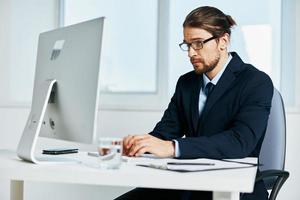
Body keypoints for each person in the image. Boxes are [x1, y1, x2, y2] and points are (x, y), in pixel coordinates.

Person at [116, 6, 273, 200]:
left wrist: (174, 148)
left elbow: (240, 142)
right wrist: (140, 145)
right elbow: (165, 133)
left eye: (198, 44)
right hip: (189, 183)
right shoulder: (186, 83)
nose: (191, 53)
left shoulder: (256, 82)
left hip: (235, 187)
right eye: (187, 44)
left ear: (222, 41)